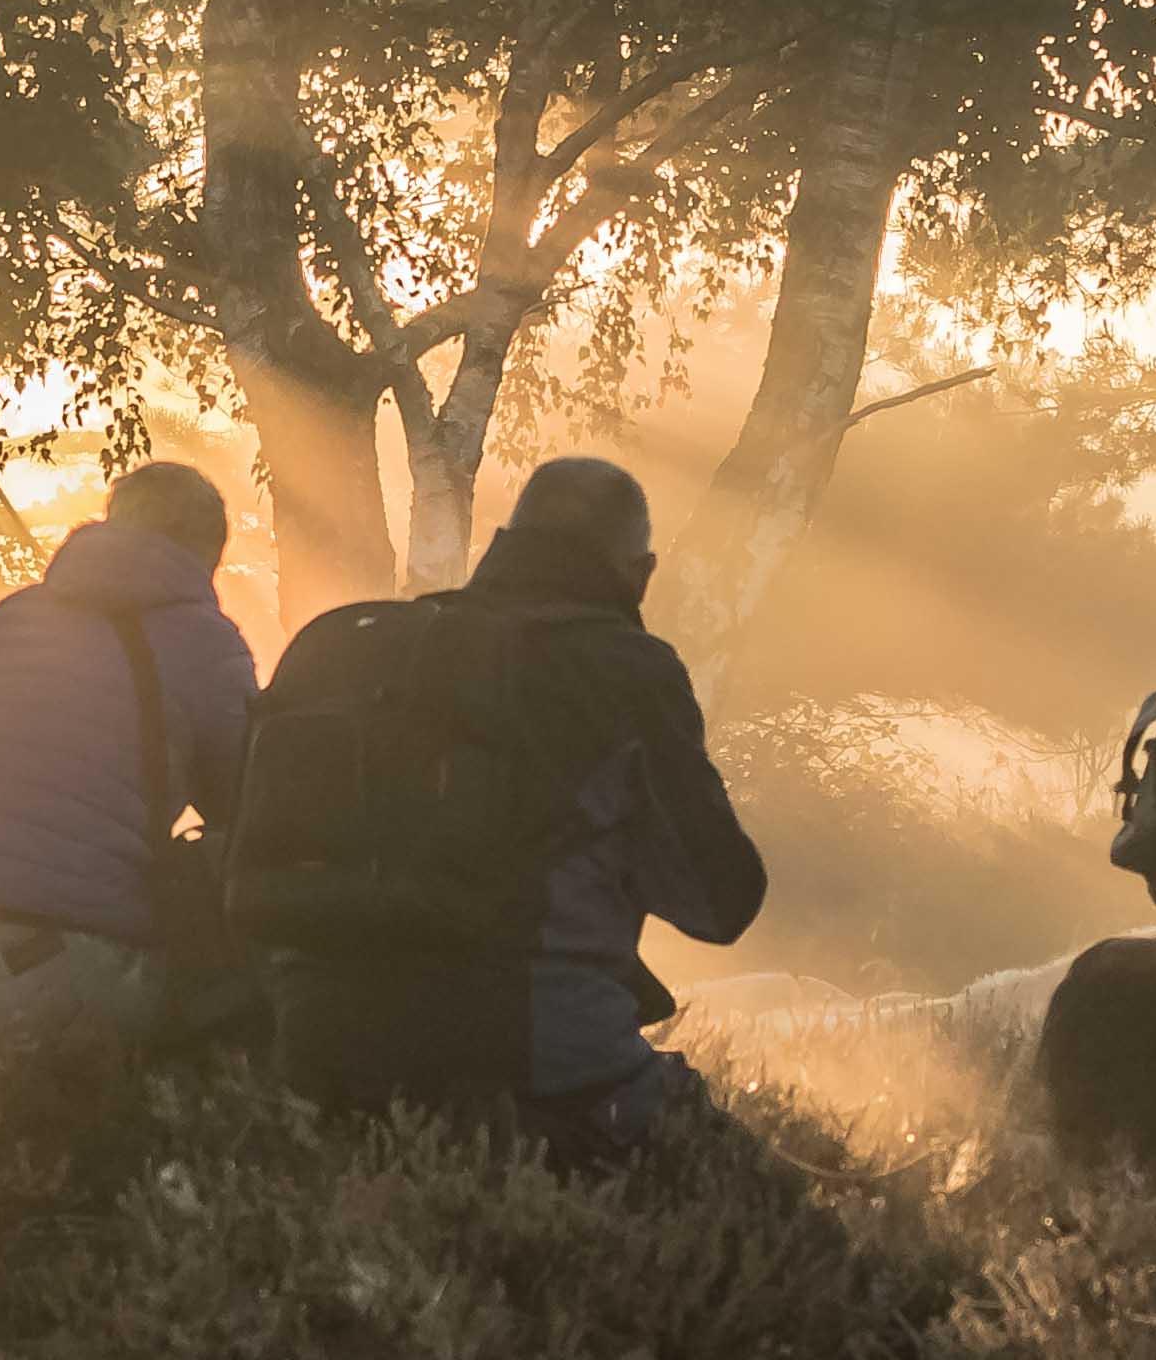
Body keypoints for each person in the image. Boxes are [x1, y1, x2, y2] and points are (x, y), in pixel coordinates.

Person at [254, 455, 772, 1170]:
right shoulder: (622, 671)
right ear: (640, 572)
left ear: (504, 541)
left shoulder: (343, 649)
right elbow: (721, 904)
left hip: (316, 1057)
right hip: (537, 1070)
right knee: (786, 1221)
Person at [0, 461, 259, 1048]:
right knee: (230, 1002)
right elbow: (251, 810)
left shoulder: (9, 617)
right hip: (48, 961)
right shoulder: (201, 635)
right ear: (205, 554)